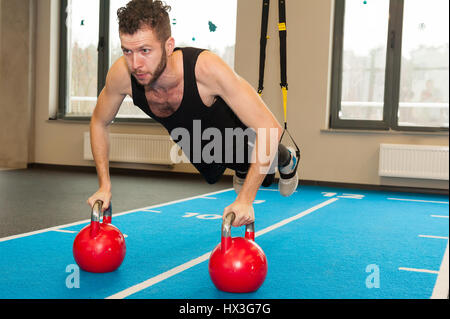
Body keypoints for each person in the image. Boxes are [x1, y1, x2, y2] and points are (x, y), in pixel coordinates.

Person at [87, 0, 299, 227]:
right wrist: (104, 185)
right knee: (215, 164)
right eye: (127, 51)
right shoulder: (121, 75)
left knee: (252, 152)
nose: (135, 63)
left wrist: (246, 199)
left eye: (145, 50)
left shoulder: (206, 69)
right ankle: (241, 165)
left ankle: (288, 158)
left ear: (169, 46)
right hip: (192, 137)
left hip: (233, 127)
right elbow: (99, 122)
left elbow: (269, 127)